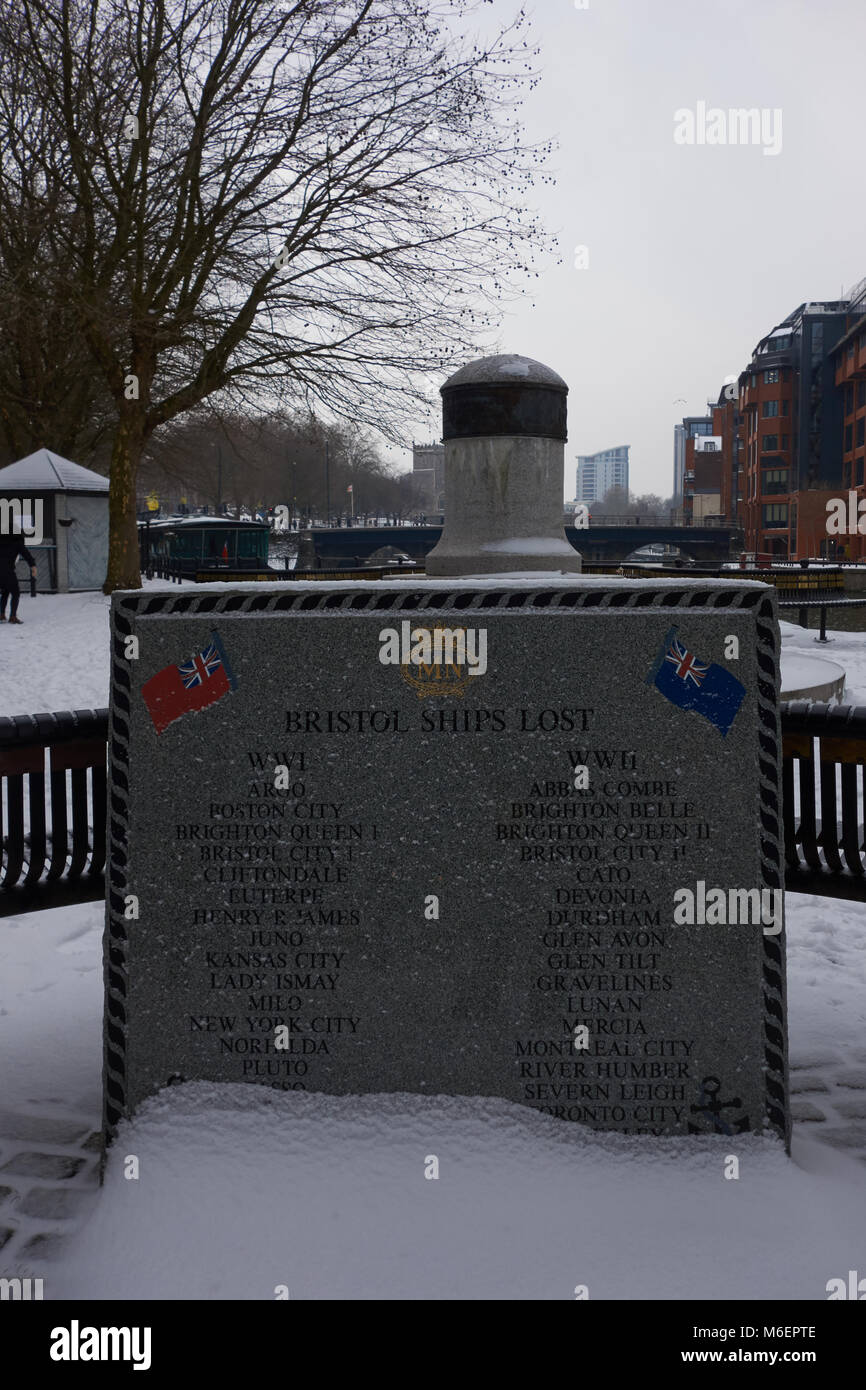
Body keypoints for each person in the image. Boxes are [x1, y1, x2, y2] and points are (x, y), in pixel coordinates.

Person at [0, 531, 38, 625]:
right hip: (8, 571)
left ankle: (1, 615)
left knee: (5, 591)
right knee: (15, 593)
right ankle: (12, 617)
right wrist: (33, 566)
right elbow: (26, 555)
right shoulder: (17, 542)